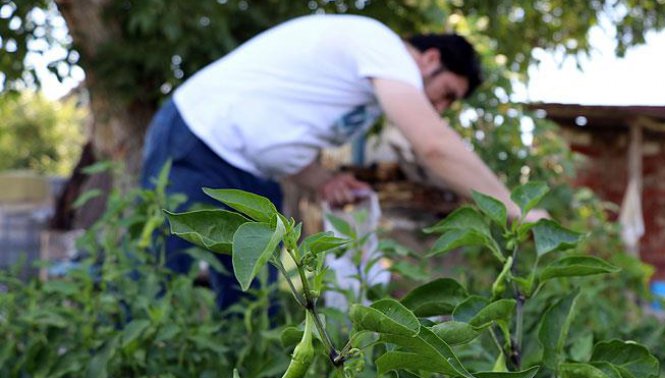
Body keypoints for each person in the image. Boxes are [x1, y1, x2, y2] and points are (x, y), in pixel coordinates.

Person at [141, 14, 547, 308]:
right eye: (446, 93)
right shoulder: (384, 48)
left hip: (251, 172)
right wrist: (511, 209)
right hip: (197, 137)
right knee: (154, 275)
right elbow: (434, 145)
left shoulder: (369, 91)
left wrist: (322, 181)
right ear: (430, 58)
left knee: (254, 300)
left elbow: (285, 136)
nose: (439, 108)